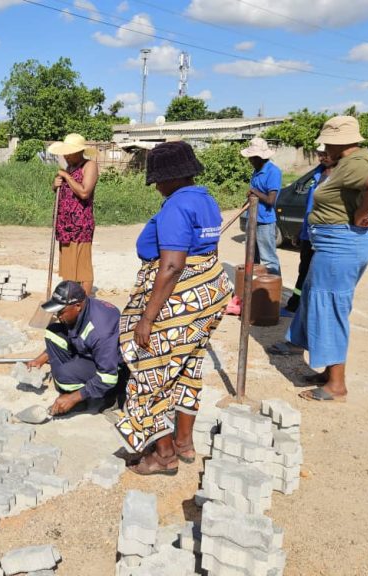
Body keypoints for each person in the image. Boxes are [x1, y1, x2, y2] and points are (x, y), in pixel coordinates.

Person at [115, 141, 232, 476]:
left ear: (170, 178)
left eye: (158, 182)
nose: (157, 189)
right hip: (207, 294)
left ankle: (163, 457)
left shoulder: (176, 206)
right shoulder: (205, 198)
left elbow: (172, 265)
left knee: (149, 372)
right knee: (186, 367)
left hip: (178, 300)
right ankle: (183, 443)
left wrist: (147, 319)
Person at [288, 116, 368, 402]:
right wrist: (359, 209)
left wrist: (360, 215)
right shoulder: (360, 159)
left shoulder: (354, 164)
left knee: (328, 306)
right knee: (319, 300)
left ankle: (336, 385)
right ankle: (328, 372)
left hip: (340, 244)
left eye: (327, 143)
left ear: (338, 142)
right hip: (339, 243)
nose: (324, 148)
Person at [26, 280, 122, 416]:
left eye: (61, 312)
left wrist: (73, 397)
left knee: (63, 375)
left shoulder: (101, 331)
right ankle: (74, 382)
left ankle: (107, 395)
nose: (58, 316)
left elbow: (108, 376)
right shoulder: (80, 310)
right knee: (53, 332)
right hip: (90, 351)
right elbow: (74, 335)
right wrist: (42, 357)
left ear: (77, 306)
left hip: (112, 367)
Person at [284, 144, 334, 314]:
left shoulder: (340, 175)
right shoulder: (318, 173)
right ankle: (295, 305)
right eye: (320, 154)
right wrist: (300, 230)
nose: (322, 158)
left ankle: (311, 308)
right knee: (303, 270)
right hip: (308, 232)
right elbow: (309, 207)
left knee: (319, 274)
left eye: (325, 154)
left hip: (324, 234)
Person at [46, 133, 99, 296]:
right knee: (68, 269)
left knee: (83, 269)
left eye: (70, 153)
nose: (66, 156)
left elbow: (84, 192)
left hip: (81, 224)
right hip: (65, 225)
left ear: (79, 151)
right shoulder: (69, 168)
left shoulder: (89, 165)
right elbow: (65, 189)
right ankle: (70, 303)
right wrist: (55, 185)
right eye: (65, 153)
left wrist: (66, 177)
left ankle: (85, 306)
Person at [241, 137, 282, 277]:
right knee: (251, 256)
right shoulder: (256, 170)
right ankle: (253, 289)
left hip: (265, 221)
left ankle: (275, 289)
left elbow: (271, 200)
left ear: (260, 157)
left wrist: (254, 192)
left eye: (252, 157)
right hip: (252, 218)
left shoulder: (273, 172)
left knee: (269, 259)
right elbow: (255, 194)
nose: (250, 160)